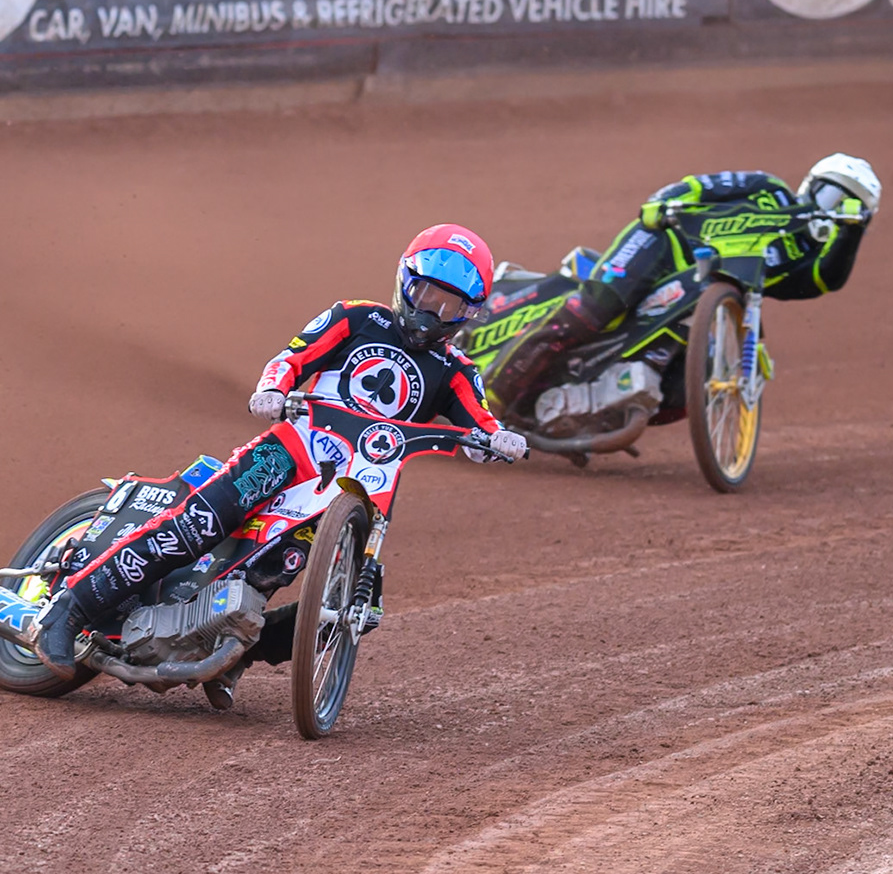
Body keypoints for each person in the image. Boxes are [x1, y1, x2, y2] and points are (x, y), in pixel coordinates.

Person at [34, 224, 530, 678]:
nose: (431, 312)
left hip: (364, 483)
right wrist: (273, 388)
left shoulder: (457, 370)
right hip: (294, 447)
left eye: (448, 306)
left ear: (468, 314)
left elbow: (481, 425)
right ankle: (67, 611)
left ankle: (229, 648)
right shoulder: (357, 317)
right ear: (405, 282)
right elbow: (293, 357)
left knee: (340, 592)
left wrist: (500, 440)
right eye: (425, 295)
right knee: (198, 524)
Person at [485, 154, 881, 415]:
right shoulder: (769, 190)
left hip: (693, 301)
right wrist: (666, 200)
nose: (832, 207)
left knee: (700, 377)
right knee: (592, 311)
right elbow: (706, 186)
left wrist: (851, 231)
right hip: (660, 245)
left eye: (849, 204)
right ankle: (488, 400)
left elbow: (827, 279)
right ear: (809, 184)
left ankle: (592, 411)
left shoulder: (804, 259)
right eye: (830, 194)